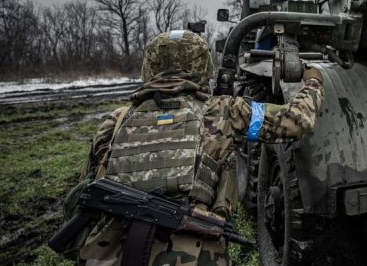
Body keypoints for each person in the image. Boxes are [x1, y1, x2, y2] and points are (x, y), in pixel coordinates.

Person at [73, 29, 324, 266]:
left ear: (148, 67)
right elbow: (297, 120)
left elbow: (82, 197)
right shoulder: (225, 113)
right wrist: (313, 82)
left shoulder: (115, 121)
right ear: (203, 67)